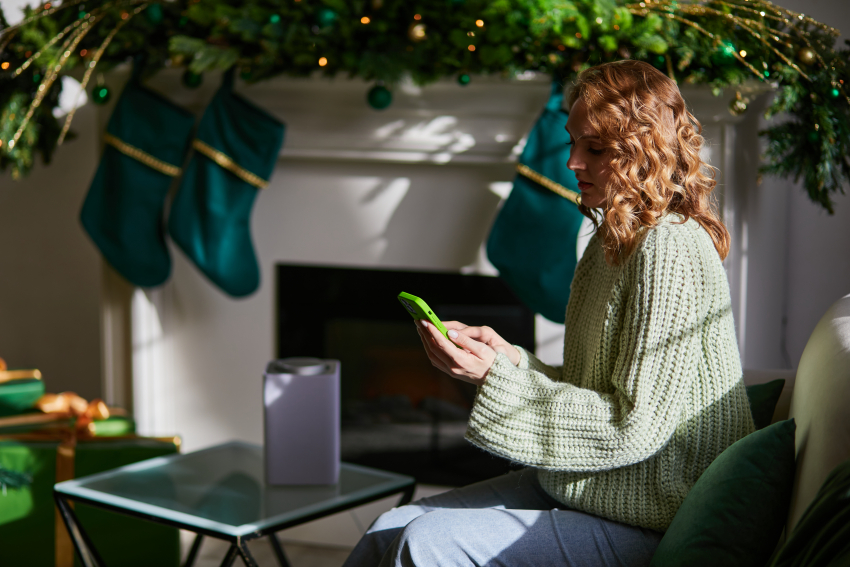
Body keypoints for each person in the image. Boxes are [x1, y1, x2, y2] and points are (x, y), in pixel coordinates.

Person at [342, 60, 755, 567]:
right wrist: (506, 359)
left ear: (641, 150)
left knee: (425, 543)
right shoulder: (612, 241)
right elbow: (591, 389)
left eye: (595, 149)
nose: (572, 163)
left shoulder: (669, 247)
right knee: (390, 526)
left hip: (654, 513)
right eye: (573, 142)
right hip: (598, 488)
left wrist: (496, 379)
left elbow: (635, 426)